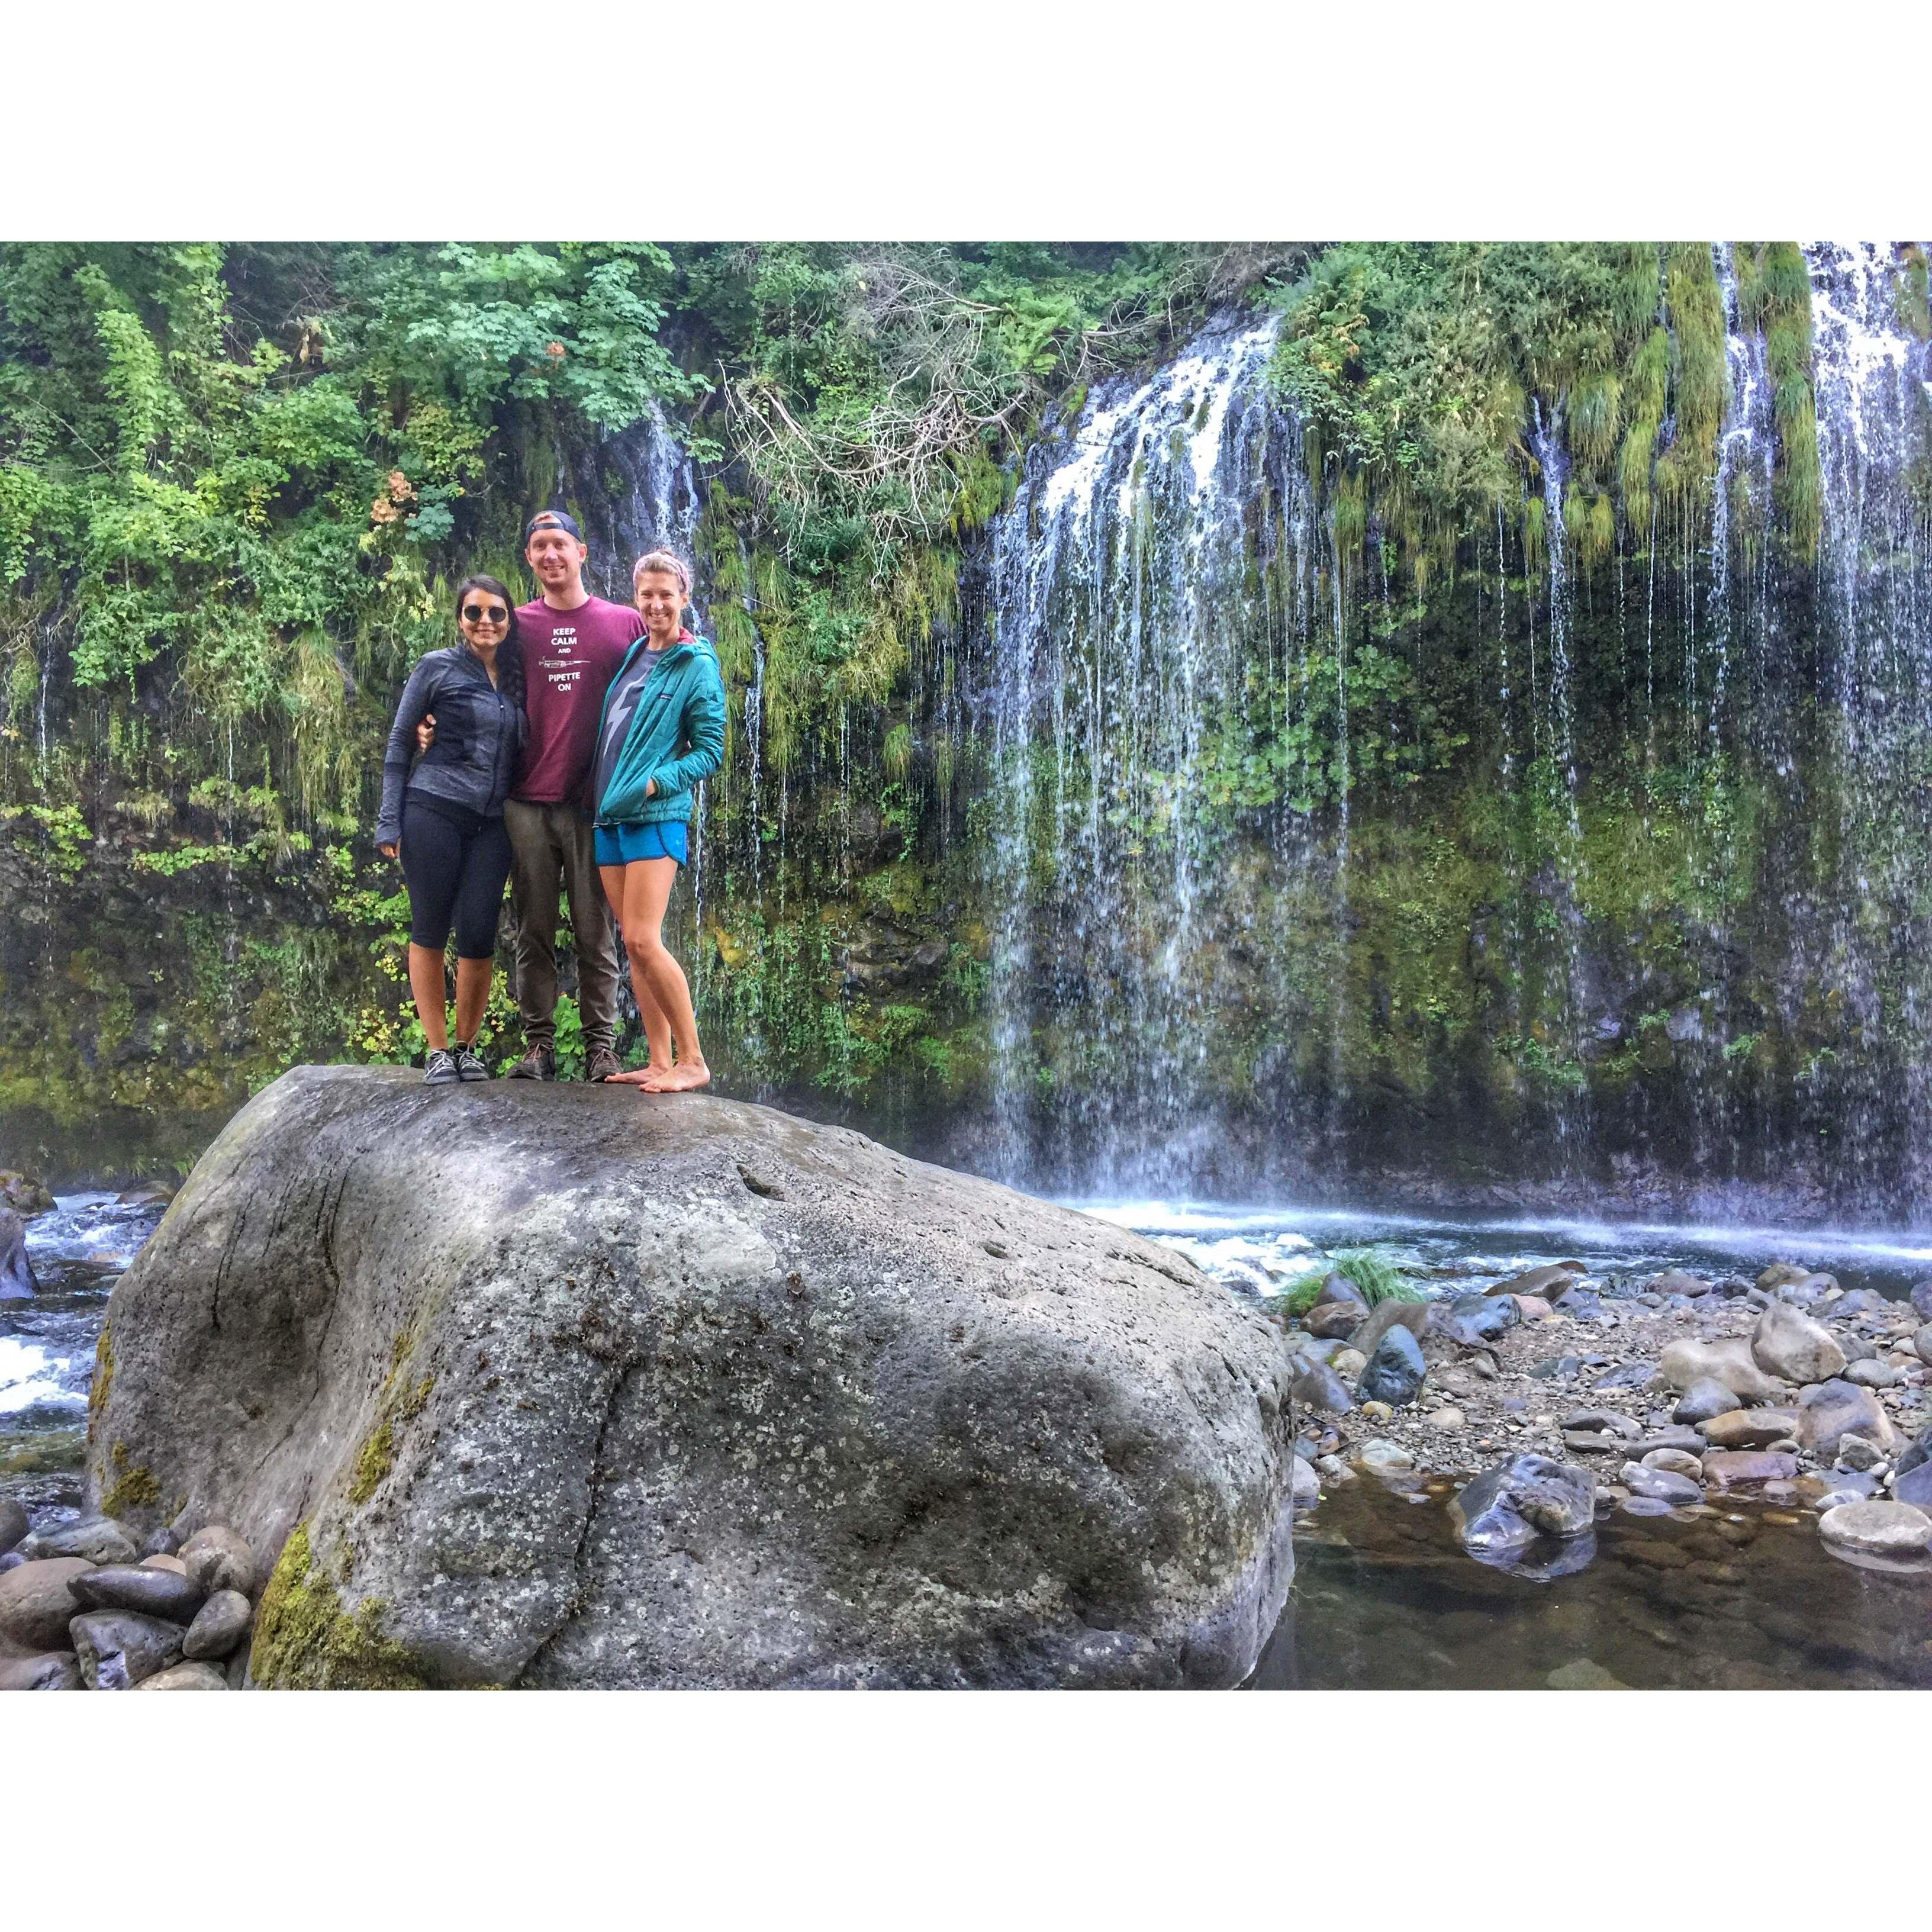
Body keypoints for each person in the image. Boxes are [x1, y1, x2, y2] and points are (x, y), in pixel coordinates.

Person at [421, 510, 643, 1083]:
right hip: (522, 799)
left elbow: (673, 661)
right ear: (529, 557)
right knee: (533, 929)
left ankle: (601, 1047)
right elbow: (463, 680)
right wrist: (429, 725)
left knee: (597, 930)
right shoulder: (511, 623)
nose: (551, 554)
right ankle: (539, 1047)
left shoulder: (625, 623)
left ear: (582, 552)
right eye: (540, 545)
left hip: (594, 801)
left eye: (560, 544)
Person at [376, 576, 526, 1084]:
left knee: (480, 930)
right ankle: (438, 1050)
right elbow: (400, 742)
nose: (486, 622)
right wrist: (388, 821)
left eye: (496, 613)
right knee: (431, 925)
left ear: (509, 620)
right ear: (460, 619)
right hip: (434, 808)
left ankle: (467, 1047)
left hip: (493, 822)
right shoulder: (436, 666)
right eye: (474, 613)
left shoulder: (518, 674)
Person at [591, 549, 726, 1091]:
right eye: (646, 594)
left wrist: (655, 782)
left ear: (684, 598)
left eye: (666, 594)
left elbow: (709, 750)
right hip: (610, 817)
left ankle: (693, 1060)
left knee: (645, 940)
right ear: (636, 598)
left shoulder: (696, 664)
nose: (655, 603)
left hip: (654, 814)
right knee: (632, 942)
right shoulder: (634, 655)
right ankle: (659, 1059)